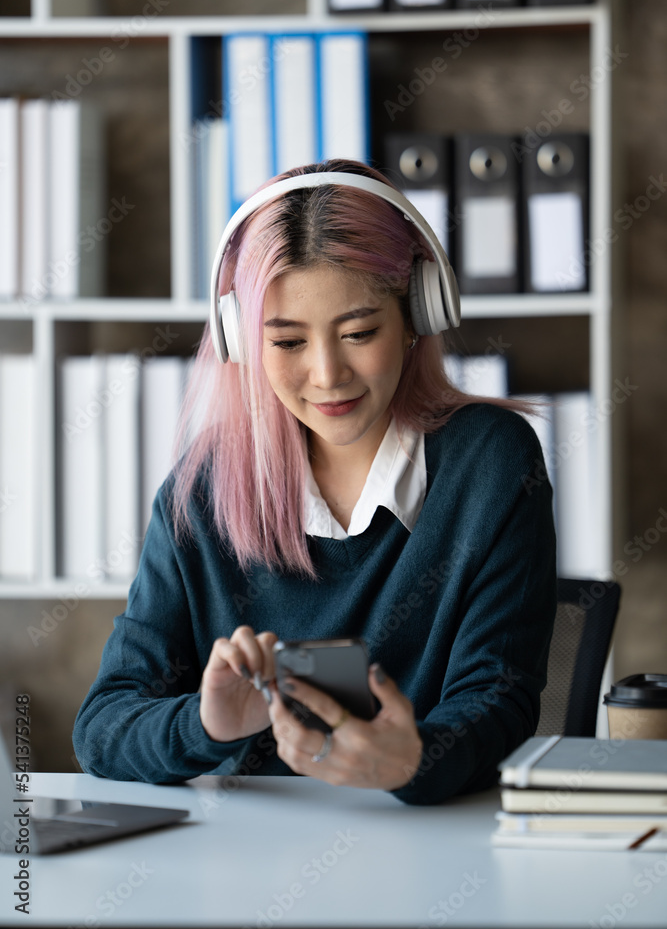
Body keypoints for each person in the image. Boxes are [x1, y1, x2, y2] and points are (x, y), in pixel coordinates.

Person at [73, 158, 557, 807]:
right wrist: (208, 724)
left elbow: (499, 698)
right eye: (288, 341)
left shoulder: (488, 463)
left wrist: (411, 757)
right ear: (240, 340)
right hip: (242, 862)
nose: (326, 375)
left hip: (431, 853)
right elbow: (102, 729)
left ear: (418, 313)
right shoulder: (202, 489)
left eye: (358, 332)